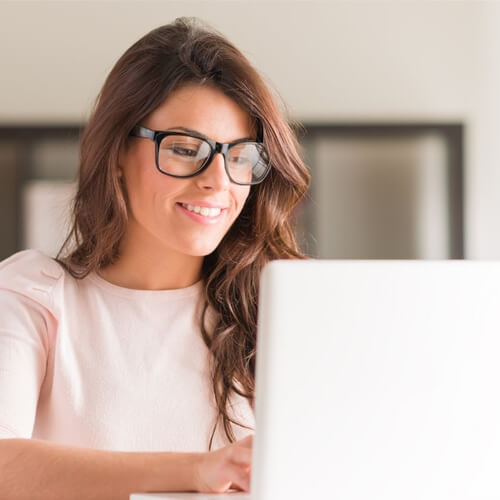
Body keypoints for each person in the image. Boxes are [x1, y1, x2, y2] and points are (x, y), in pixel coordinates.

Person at [0, 17, 309, 500]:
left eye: (241, 156)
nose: (218, 181)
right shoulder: (35, 292)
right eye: (187, 149)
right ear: (117, 153)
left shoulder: (285, 307)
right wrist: (196, 471)